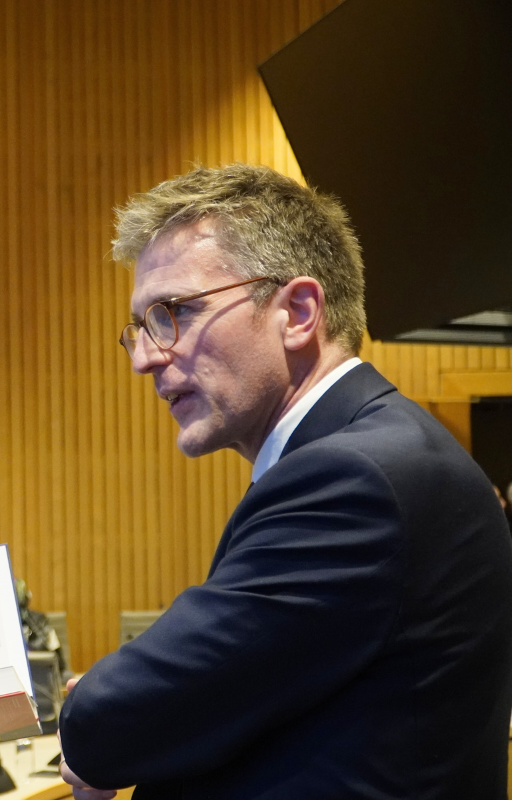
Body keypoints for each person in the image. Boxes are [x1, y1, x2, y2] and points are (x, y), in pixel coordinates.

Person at [59, 164, 512, 799]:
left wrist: (103, 708)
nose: (144, 358)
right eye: (141, 327)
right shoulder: (376, 453)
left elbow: (109, 723)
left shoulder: (352, 480)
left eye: (175, 312)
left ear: (297, 312)